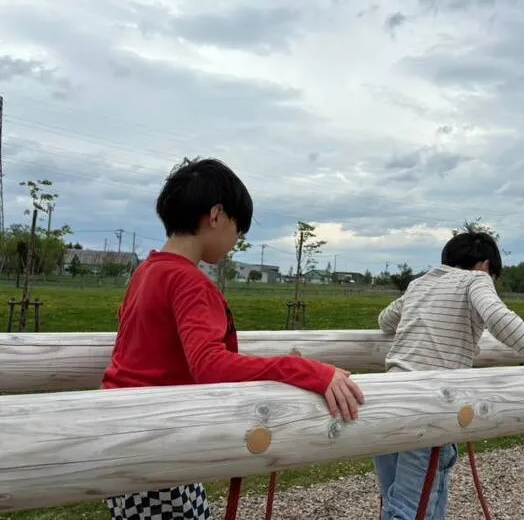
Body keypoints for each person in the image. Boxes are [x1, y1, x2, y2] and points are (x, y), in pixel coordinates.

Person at [101, 157, 364, 520]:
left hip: (121, 430)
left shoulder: (147, 270)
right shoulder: (189, 282)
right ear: (216, 216)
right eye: (239, 229)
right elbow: (210, 365)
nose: (236, 241)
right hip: (158, 437)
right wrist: (306, 370)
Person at [373, 231, 524, 520]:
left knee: (394, 499)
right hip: (428, 404)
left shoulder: (420, 283)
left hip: (385, 401)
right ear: (485, 266)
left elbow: (385, 321)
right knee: (413, 509)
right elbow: (498, 318)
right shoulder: (476, 279)